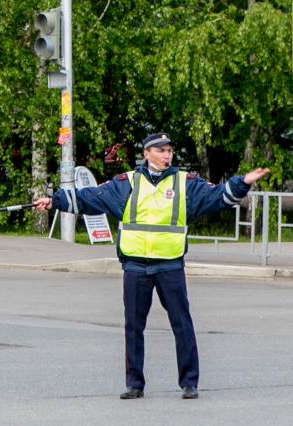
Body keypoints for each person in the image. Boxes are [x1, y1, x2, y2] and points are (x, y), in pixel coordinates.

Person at [33, 133, 269, 400]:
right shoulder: (126, 183)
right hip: (135, 266)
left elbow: (216, 197)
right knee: (134, 327)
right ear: (147, 154)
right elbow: (91, 197)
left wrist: (242, 183)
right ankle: (135, 384)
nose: (167, 155)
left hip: (170, 266)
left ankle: (189, 383)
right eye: (161, 150)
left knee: (182, 324)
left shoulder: (185, 183)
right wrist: (55, 201)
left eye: (169, 150)